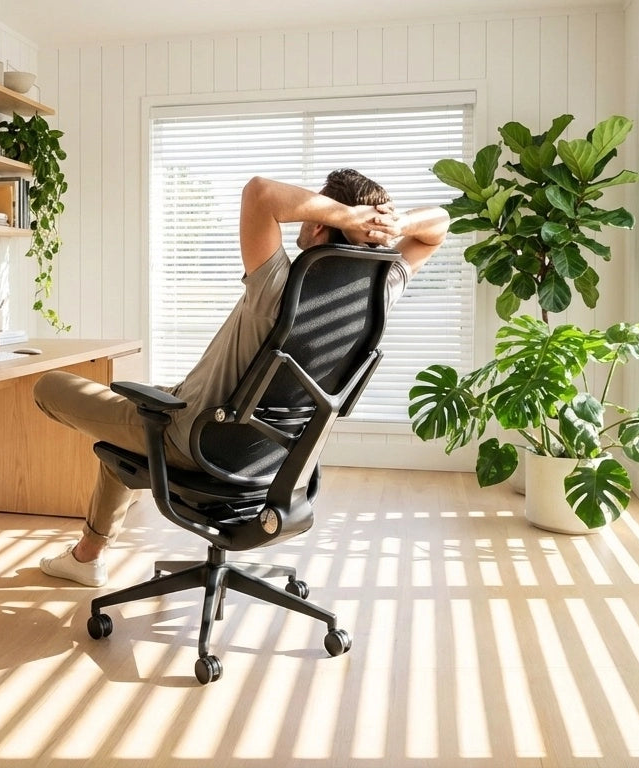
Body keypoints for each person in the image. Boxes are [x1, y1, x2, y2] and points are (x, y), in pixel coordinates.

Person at [34, 170, 450, 586]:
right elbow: (438, 227)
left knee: (48, 386)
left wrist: (344, 213)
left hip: (195, 440)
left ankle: (88, 558)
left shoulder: (280, 287)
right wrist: (400, 225)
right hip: (273, 457)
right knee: (125, 441)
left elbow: (260, 193)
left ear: (323, 222)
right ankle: (86, 556)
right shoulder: (377, 293)